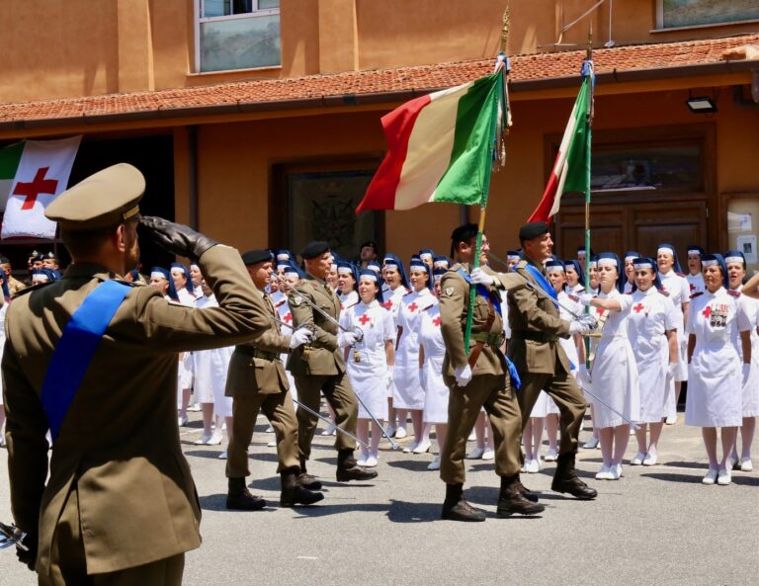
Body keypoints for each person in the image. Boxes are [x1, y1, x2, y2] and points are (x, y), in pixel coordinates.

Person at [2, 163, 269, 584]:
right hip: (139, 526)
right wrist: (206, 248)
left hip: (60, 520)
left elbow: (23, 434)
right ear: (122, 236)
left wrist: (30, 525)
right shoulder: (137, 308)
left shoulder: (21, 313)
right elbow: (251, 317)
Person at [438, 224, 544, 522]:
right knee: (460, 431)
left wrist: (492, 280)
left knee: (510, 423)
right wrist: (460, 363)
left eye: (486, 242)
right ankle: (453, 497)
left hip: (495, 361)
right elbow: (449, 323)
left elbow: (523, 280)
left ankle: (510, 490)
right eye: (479, 244)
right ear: (463, 248)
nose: (486, 248)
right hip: (472, 364)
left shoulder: (483, 276)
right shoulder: (455, 280)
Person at [494, 221, 596, 500]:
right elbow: (530, 315)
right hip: (529, 352)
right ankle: (510, 485)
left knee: (576, 405)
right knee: (516, 420)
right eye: (545, 239)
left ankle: (565, 473)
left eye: (550, 239)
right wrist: (568, 327)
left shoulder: (538, 271)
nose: (551, 243)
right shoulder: (521, 275)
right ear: (528, 245)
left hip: (552, 353)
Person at [225, 249, 323, 509]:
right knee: (242, 435)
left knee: (288, 426)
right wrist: (288, 342)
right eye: (265, 267)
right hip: (249, 369)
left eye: (271, 267)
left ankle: (291, 484)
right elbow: (251, 335)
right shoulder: (240, 297)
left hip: (272, 370)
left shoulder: (264, 296)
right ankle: (236, 489)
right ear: (248, 270)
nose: (271, 272)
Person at [287, 241, 377, 482]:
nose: (330, 263)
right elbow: (307, 327)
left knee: (349, 406)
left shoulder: (326, 288)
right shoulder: (301, 290)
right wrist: (338, 340)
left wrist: (346, 335)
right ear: (310, 262)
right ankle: (298, 468)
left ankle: (346, 462)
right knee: (308, 418)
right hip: (311, 360)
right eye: (325, 259)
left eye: (329, 258)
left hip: (332, 361)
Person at [685, 254, 751, 485]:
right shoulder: (696, 301)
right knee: (707, 416)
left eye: (713, 270)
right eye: (706, 271)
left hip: (727, 362)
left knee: (728, 415)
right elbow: (692, 335)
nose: (709, 274)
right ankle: (712, 464)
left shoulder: (734, 299)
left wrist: (746, 364)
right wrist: (690, 362)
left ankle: (726, 464)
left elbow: (745, 335)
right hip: (702, 362)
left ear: (722, 273)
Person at [577, 252, 640, 480]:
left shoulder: (625, 297)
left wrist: (589, 300)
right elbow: (582, 334)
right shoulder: (589, 302)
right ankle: (605, 461)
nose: (602, 273)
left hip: (619, 355)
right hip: (598, 355)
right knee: (601, 411)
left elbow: (609, 305)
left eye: (607, 269)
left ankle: (617, 462)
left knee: (619, 410)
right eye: (599, 269)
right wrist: (583, 364)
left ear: (617, 273)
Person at [339, 269, 395, 467]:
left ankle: (374, 450)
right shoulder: (350, 312)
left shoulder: (384, 313)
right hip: (355, 366)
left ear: (376, 288)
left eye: (368, 284)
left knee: (376, 409)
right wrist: (344, 340)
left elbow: (389, 343)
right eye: (361, 283)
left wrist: (390, 369)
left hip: (376, 366)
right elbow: (341, 338)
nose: (363, 287)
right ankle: (363, 449)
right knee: (359, 410)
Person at [626, 258, 677, 467]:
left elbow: (672, 334)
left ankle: (653, 447)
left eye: (644, 274)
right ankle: (640, 447)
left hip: (656, 357)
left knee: (655, 404)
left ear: (653, 275)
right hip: (634, 357)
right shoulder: (628, 300)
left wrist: (673, 363)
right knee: (636, 404)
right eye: (637, 274)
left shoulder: (663, 300)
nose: (640, 278)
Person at [394, 257, 435, 454]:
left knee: (422, 397)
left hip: (422, 350)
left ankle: (425, 438)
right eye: (411, 274)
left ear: (426, 276)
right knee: (410, 396)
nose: (413, 277)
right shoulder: (405, 298)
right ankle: (417, 436)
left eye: (417, 274)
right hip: (404, 350)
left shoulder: (431, 300)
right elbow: (400, 328)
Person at [724, 250, 758, 472]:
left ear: (744, 271)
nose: (733, 271)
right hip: (727, 357)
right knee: (728, 407)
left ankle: (746, 453)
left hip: (751, 354)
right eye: (729, 268)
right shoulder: (719, 297)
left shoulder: (752, 296)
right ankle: (731, 452)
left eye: (737, 268)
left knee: (749, 407)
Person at [418, 266, 449, 470]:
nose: (438, 288)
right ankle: (441, 453)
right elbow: (422, 344)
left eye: (442, 284)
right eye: (436, 284)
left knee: (454, 414)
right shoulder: (427, 313)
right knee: (438, 414)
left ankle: (453, 455)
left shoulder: (459, 311)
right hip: (432, 366)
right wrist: (421, 369)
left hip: (452, 366)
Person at [657, 243, 690, 425]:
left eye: (665, 256)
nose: (662, 259)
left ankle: (672, 408)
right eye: (659, 256)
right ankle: (662, 407)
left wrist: (686, 330)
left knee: (675, 370)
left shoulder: (681, 280)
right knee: (662, 369)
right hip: (658, 330)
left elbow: (686, 307)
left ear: (672, 260)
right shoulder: (653, 279)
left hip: (676, 330)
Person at [381, 253, 410, 439]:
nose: (389, 276)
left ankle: (402, 424)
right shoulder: (381, 294)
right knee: (388, 388)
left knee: (400, 386)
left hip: (401, 346)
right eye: (386, 273)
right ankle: (390, 423)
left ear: (400, 274)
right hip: (383, 347)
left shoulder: (405, 295)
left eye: (392, 272)